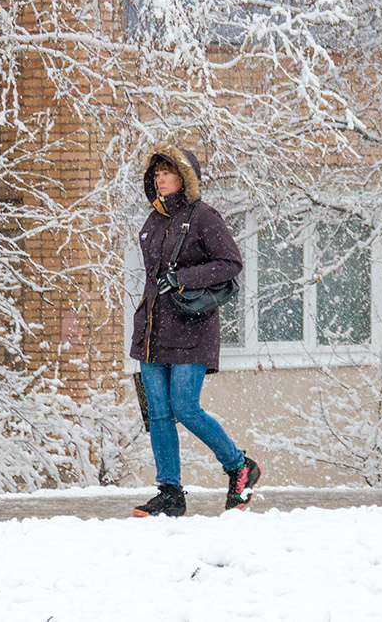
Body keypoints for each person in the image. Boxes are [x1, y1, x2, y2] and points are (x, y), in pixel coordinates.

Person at [128, 145, 262, 517]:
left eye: (167, 173)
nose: (160, 178)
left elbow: (230, 263)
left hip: (191, 328)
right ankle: (170, 492)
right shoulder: (153, 220)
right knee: (157, 414)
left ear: (184, 178)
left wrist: (184, 277)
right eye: (156, 174)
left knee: (184, 407)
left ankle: (239, 467)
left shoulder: (203, 217)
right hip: (153, 329)